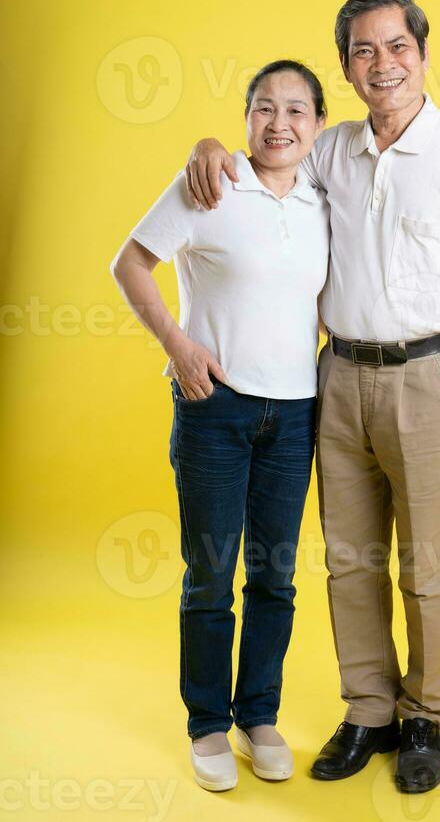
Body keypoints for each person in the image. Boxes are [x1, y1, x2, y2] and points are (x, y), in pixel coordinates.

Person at [180, 0, 440, 794]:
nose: (381, 64)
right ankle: (370, 710)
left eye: (396, 47)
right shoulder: (331, 149)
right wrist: (212, 141)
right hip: (337, 379)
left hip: (430, 377)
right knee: (350, 562)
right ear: (346, 69)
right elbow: (262, 162)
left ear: (423, 52)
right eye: (362, 51)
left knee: (428, 564)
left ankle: (425, 715)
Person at [110, 60, 330, 792]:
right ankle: (207, 721)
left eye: (296, 111)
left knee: (276, 575)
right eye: (263, 108)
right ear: (244, 120)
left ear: (318, 127)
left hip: (296, 415)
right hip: (216, 408)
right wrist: (177, 345)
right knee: (210, 573)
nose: (279, 124)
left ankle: (256, 713)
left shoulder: (320, 199)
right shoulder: (212, 183)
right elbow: (130, 263)